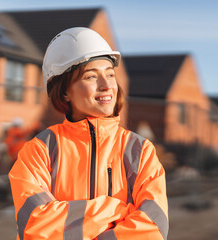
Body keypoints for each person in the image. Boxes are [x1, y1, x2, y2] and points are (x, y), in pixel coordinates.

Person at [9, 27, 168, 240]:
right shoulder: (39, 151)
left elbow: (153, 228)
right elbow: (35, 226)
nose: (106, 85)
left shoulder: (140, 151)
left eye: (110, 74)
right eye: (91, 76)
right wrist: (115, 209)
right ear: (65, 91)